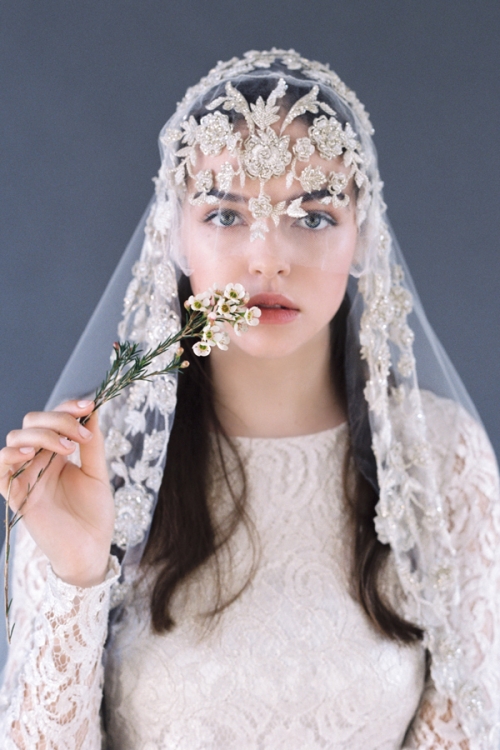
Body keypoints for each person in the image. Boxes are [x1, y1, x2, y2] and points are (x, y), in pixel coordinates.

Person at [0, 49, 499, 749]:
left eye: (314, 215)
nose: (267, 256)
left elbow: (469, 729)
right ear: (175, 233)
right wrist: (74, 576)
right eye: (227, 215)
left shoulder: (440, 459)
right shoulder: (95, 458)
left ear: (364, 234)